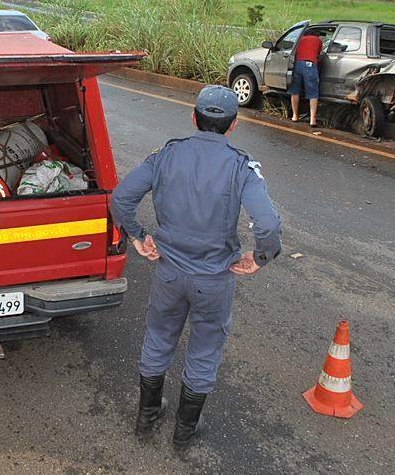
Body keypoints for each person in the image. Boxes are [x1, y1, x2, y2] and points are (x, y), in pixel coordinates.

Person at [111, 85, 281, 450]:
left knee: (158, 338)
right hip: (214, 280)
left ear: (194, 118)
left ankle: (147, 417)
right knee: (204, 350)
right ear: (233, 126)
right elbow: (267, 223)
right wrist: (260, 257)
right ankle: (184, 432)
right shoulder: (240, 166)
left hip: (169, 272)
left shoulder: (167, 155)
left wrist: (139, 236)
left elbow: (121, 198)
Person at [289, 32, 323, 127]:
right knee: (313, 92)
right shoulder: (318, 40)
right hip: (310, 65)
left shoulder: (300, 39)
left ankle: (295, 116)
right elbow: (318, 54)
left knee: (295, 91)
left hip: (298, 64)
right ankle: (313, 120)